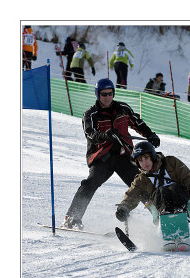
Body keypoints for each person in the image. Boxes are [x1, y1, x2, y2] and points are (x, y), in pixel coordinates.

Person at [62, 78, 160, 230]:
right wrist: (106, 135)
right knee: (90, 183)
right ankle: (73, 218)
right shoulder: (91, 114)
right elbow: (90, 134)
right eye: (103, 94)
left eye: (110, 93)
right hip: (102, 157)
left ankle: (160, 214)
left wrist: (150, 135)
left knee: (140, 185)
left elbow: (137, 123)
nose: (107, 97)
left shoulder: (123, 108)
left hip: (123, 155)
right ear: (98, 95)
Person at [115, 141, 190, 223]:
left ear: (152, 156)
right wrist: (123, 209)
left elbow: (187, 179)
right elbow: (131, 195)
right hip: (160, 211)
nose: (144, 162)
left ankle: (179, 216)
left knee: (172, 188)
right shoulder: (141, 179)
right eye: (140, 160)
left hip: (182, 203)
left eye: (146, 157)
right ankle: (167, 219)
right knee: (162, 192)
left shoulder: (171, 162)